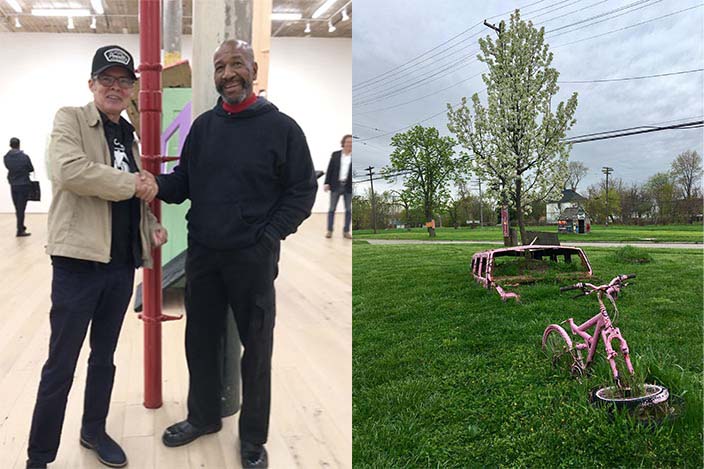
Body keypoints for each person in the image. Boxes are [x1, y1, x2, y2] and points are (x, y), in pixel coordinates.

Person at [151, 39, 317, 469]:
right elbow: (184, 181)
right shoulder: (204, 128)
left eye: (236, 64)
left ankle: (252, 440)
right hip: (204, 257)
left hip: (253, 260)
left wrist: (268, 237)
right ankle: (203, 417)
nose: (228, 73)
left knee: (257, 350)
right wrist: (151, 183)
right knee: (200, 343)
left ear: (254, 69)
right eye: (220, 66)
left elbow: (302, 191)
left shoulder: (284, 129)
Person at [25, 45, 166, 469]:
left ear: (132, 90)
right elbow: (69, 171)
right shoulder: (70, 118)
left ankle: (94, 429)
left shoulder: (128, 133)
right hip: (78, 264)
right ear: (91, 85)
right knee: (61, 364)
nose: (115, 87)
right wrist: (136, 185)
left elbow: (129, 197)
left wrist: (149, 226)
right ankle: (39, 456)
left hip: (121, 265)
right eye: (106, 79)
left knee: (104, 357)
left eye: (124, 81)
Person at [4, 137, 34, 237]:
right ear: (19, 144)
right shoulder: (24, 157)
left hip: (13, 184)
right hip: (24, 184)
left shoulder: (6, 157)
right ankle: (20, 229)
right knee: (21, 208)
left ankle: (20, 227)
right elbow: (30, 168)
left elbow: (8, 167)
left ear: (10, 145)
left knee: (17, 207)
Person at [323, 134, 352, 239]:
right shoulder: (335, 155)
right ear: (343, 143)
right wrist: (326, 183)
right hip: (336, 185)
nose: (349, 144)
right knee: (332, 209)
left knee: (348, 210)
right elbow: (330, 169)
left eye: (351, 143)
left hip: (348, 187)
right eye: (348, 142)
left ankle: (346, 231)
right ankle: (329, 230)